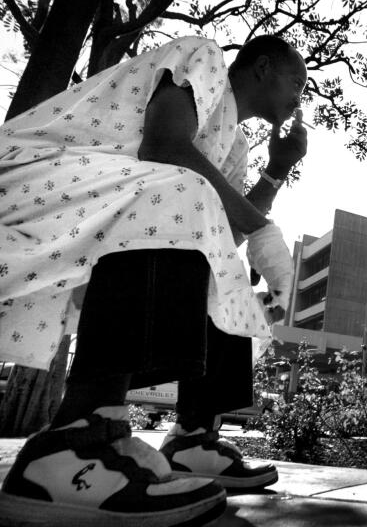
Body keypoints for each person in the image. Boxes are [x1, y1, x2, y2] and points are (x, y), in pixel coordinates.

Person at [0, 34, 307, 526]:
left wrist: (276, 171)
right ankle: (71, 441)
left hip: (111, 196)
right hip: (38, 172)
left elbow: (218, 230)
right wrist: (264, 230)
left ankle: (187, 436)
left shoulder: (237, 140)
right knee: (179, 193)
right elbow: (164, 146)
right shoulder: (203, 56)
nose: (299, 97)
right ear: (263, 67)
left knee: (211, 250)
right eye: (296, 81)